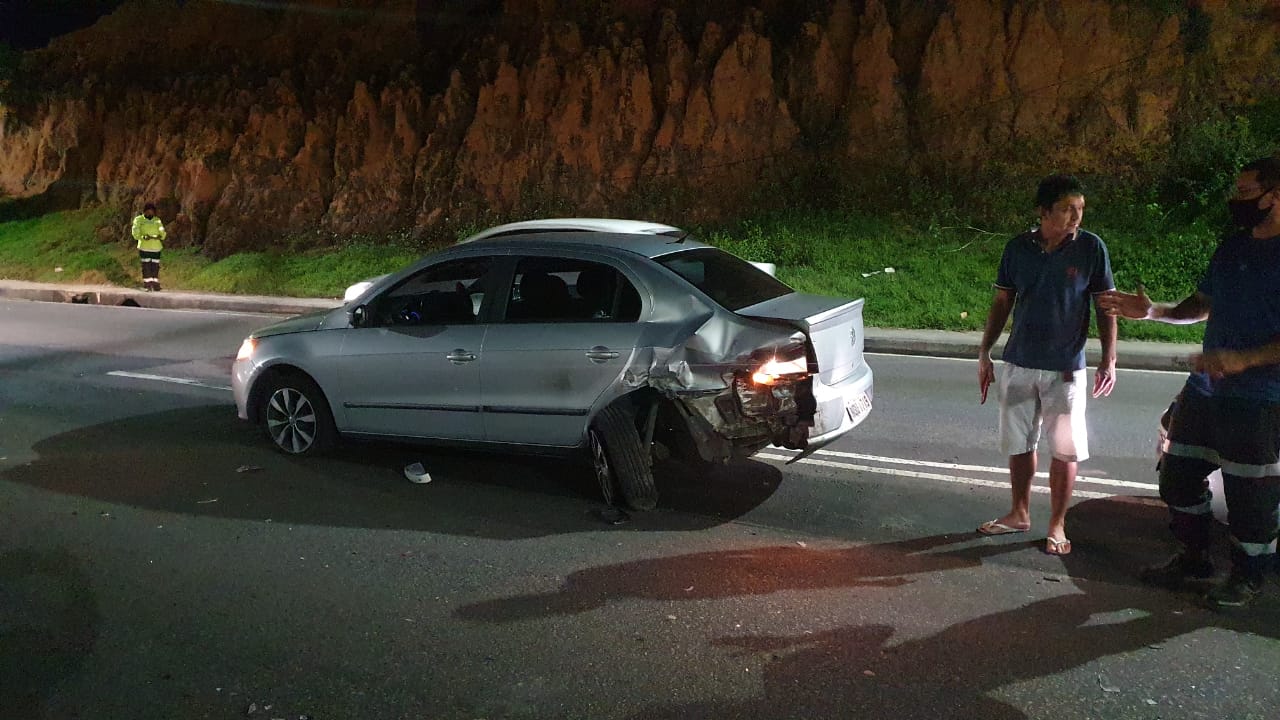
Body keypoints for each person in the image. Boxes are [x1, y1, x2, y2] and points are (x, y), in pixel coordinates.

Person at [1098, 156, 1280, 610]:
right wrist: (1153, 311)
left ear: (1274, 196)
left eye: (1246, 190)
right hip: (1205, 391)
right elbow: (1198, 306)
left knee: (1250, 497)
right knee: (1177, 479)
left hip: (1260, 399)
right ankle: (1195, 559)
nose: (1236, 199)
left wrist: (1244, 360)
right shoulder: (1233, 248)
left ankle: (1248, 577)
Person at [976, 174, 1118, 556]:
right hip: (1019, 363)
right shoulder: (1018, 248)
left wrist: (1109, 359)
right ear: (1043, 212)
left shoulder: (1091, 248)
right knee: (1019, 444)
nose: (1076, 217)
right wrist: (985, 351)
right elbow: (1002, 303)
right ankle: (1019, 513)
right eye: (1067, 209)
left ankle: (1057, 522)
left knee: (1065, 450)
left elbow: (1105, 306)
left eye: (1080, 209)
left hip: (1065, 369)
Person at [131, 202, 166, 291]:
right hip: (144, 247)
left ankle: (155, 284)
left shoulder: (157, 220)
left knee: (155, 265)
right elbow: (135, 232)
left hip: (156, 247)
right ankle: (147, 283)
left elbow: (162, 231)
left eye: (152, 212)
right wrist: (142, 237)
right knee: (146, 265)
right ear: (145, 211)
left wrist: (161, 236)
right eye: (149, 212)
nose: (151, 214)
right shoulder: (139, 220)